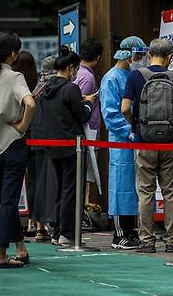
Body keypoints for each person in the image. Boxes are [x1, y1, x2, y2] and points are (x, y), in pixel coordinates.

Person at [122, 38, 173, 254]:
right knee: (171, 191)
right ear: (170, 56)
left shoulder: (136, 76)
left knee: (145, 193)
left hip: (144, 143)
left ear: (149, 54)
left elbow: (125, 107)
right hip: (171, 144)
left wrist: (135, 126)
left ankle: (147, 241)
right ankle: (172, 240)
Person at [0, 31, 35, 268]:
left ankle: (20, 247)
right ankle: (0, 253)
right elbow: (30, 103)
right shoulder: (15, 76)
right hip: (11, 144)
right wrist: (22, 126)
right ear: (13, 53)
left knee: (6, 200)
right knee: (9, 201)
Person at [40, 46, 97, 246]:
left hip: (52, 144)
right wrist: (88, 103)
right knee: (71, 190)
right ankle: (66, 233)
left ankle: (56, 232)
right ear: (71, 67)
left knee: (60, 189)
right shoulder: (71, 88)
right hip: (72, 146)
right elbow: (82, 114)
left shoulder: (47, 88)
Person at [100, 36, 146, 250]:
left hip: (135, 138)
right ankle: (120, 234)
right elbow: (110, 115)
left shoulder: (133, 75)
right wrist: (130, 132)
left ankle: (131, 231)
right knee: (120, 186)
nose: (141, 59)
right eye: (138, 55)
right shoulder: (111, 78)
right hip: (121, 140)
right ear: (127, 55)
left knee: (134, 187)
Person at [74, 38, 103, 220]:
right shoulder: (88, 77)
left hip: (83, 130)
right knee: (86, 174)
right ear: (98, 58)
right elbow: (81, 103)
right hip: (87, 129)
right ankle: (84, 212)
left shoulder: (77, 72)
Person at [11, 51, 39, 238]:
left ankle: (16, 223)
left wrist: (20, 126)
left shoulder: (13, 82)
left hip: (16, 135)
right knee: (35, 179)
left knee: (14, 180)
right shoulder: (38, 86)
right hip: (36, 136)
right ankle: (35, 222)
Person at [30, 55, 57, 243]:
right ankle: (52, 225)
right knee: (52, 184)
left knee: (38, 183)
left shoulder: (36, 89)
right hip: (54, 142)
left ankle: (39, 226)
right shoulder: (54, 88)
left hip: (36, 140)